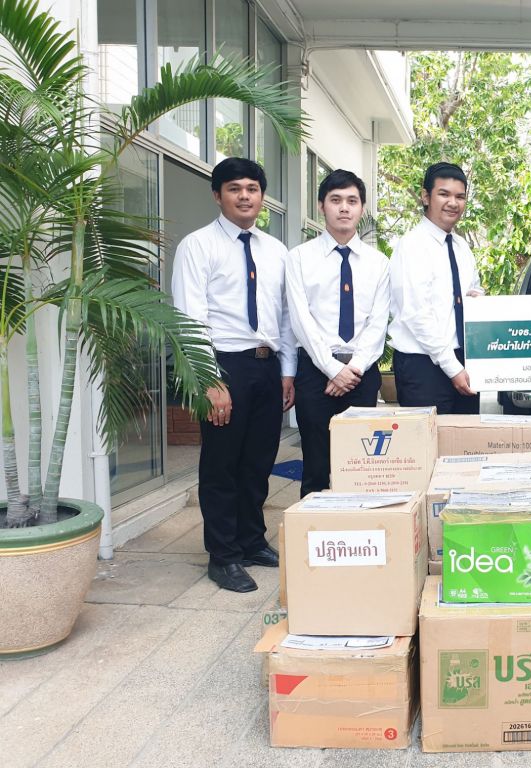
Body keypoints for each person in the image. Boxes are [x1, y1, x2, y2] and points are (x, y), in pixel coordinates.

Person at [171, 157, 296, 593]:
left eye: (252, 188)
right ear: (217, 194)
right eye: (234, 188)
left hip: (266, 366)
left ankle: (251, 540)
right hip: (223, 365)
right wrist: (208, 378)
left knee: (259, 461)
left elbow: (284, 317)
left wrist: (287, 372)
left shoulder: (275, 251)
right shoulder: (197, 246)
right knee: (222, 464)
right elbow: (190, 317)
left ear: (263, 196)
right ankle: (222, 556)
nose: (245, 196)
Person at [285, 169, 388, 497]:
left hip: (362, 374)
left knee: (360, 464)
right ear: (321, 206)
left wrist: (352, 369)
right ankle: (314, 536)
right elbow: (301, 319)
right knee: (315, 463)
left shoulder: (378, 263)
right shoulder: (299, 258)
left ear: (361, 208)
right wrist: (332, 369)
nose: (344, 208)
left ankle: (356, 537)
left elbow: (378, 322)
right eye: (336, 200)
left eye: (352, 201)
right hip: (315, 374)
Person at [388, 161, 484, 414]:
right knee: (429, 447)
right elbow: (416, 314)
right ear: (425, 197)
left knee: (465, 447)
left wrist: (478, 301)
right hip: (423, 367)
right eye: (444, 194)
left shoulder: (462, 247)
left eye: (460, 196)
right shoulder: (412, 246)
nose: (453, 202)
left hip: (463, 362)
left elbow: (472, 291)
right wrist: (452, 368)